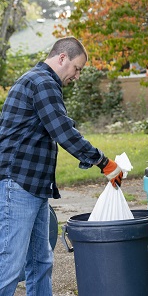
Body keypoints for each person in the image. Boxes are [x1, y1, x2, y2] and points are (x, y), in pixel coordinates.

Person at [0, 36, 123, 295]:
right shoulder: (42, 82)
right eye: (77, 68)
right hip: (18, 185)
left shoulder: (38, 81)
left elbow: (58, 126)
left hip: (34, 187)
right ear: (62, 58)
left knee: (40, 261)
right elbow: (64, 132)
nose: (77, 76)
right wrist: (104, 163)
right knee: (9, 265)